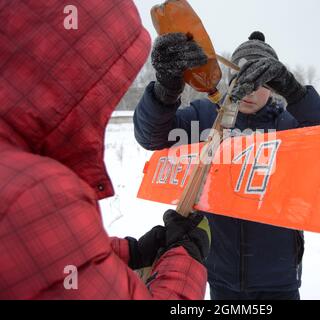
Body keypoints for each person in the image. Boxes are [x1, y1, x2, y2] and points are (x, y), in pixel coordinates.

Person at [0, 0, 210, 300]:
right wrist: (186, 257)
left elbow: (50, 266)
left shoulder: (14, 172)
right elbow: (153, 135)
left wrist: (132, 253)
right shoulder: (31, 193)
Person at [133, 31, 320, 300]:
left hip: (278, 277)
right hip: (220, 274)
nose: (251, 90)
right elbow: (152, 137)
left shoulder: (288, 124)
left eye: (262, 82)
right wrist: (166, 90)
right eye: (242, 78)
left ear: (274, 86)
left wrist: (296, 92)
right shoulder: (205, 118)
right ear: (231, 80)